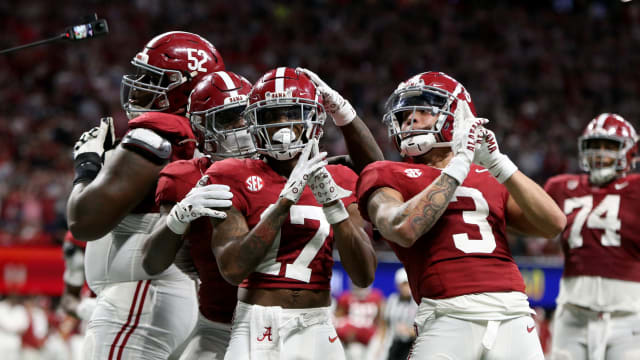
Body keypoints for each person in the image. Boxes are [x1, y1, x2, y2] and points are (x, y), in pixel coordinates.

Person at [356, 71, 566, 359]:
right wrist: (457, 168)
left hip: (513, 313)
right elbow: (403, 227)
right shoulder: (387, 172)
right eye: (405, 114)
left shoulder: (489, 175)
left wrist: (500, 163)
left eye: (424, 110)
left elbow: (553, 223)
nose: (410, 120)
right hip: (446, 314)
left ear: (458, 116)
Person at [66, 31, 227, 359]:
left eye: (151, 79)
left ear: (182, 88)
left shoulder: (156, 133)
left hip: (142, 294)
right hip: (164, 292)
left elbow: (84, 221)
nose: (138, 85)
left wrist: (87, 164)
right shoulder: (196, 138)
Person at [206, 67, 380, 360]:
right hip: (260, 322)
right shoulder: (231, 173)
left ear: (313, 118)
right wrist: (284, 202)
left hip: (320, 324)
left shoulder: (339, 177)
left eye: (291, 112)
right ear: (255, 121)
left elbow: (364, 276)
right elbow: (233, 270)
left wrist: (334, 207)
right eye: (272, 115)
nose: (283, 125)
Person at [141, 70, 256, 359]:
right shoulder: (185, 179)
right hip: (219, 327)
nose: (242, 126)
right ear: (202, 128)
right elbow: (151, 261)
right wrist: (178, 219)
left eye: (247, 115)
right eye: (228, 117)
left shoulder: (285, 166)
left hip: (286, 326)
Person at [544, 113, 640, 360]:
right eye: (594, 146)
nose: (599, 153)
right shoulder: (560, 186)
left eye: (609, 146)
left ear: (630, 152)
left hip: (628, 315)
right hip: (573, 312)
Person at [334, 283, 385, 360]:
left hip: (371, 338)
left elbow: (381, 322)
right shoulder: (345, 298)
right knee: (355, 352)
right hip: (353, 341)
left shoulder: (377, 297)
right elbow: (337, 320)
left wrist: (380, 340)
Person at [383, 268, 417, 360]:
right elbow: (385, 325)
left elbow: (425, 328)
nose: (406, 287)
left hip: (412, 345)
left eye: (408, 283)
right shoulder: (392, 300)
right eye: (404, 284)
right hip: (393, 344)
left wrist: (410, 332)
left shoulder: (418, 302)